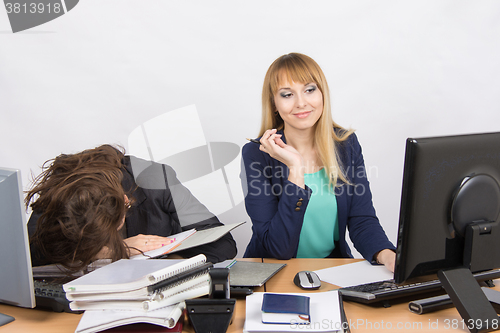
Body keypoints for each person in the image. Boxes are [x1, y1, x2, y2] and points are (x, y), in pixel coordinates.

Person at [241, 53, 396, 271]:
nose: (301, 103)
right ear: (274, 103)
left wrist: (387, 255)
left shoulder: (345, 145)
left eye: (309, 90)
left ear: (322, 93)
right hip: (271, 273)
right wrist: (296, 169)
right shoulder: (257, 154)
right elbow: (278, 249)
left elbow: (362, 219)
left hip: (331, 270)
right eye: (287, 94)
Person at [26, 144, 237, 275]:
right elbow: (31, 256)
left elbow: (222, 245)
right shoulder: (62, 189)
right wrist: (118, 251)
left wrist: (164, 262)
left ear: (126, 202)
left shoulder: (156, 180)